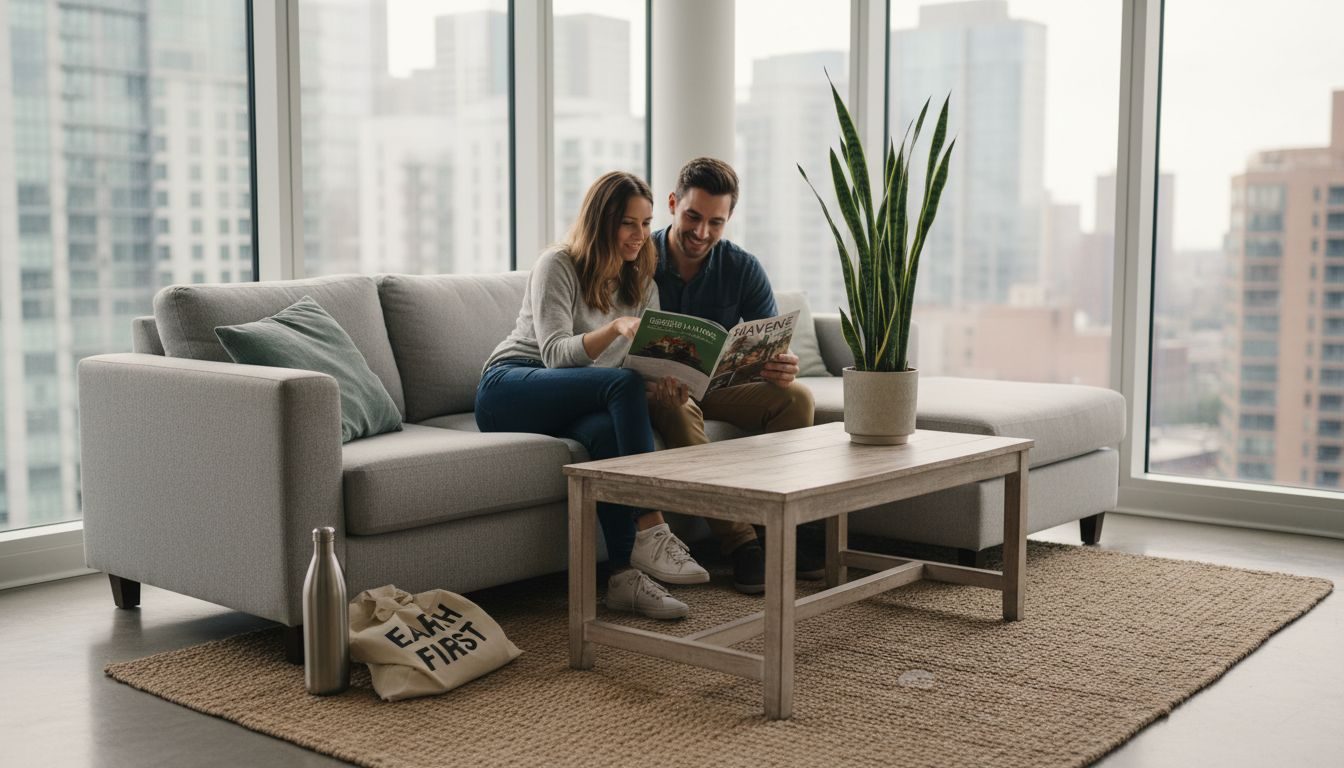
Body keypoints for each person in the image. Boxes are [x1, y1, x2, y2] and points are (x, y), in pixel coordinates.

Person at [476, 171, 708, 620]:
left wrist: (665, 386)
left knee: (605, 430)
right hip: (510, 386)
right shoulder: (558, 265)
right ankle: (651, 527)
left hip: (577, 398)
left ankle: (623, 578)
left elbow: (633, 369)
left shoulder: (642, 285)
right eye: (627, 223)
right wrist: (616, 327)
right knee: (618, 387)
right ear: (601, 221)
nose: (640, 235)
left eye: (645, 223)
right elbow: (555, 355)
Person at [645, 157, 825, 595]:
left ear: (728, 220)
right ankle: (742, 542)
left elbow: (770, 342)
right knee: (678, 406)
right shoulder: (639, 259)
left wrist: (779, 367)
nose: (701, 232)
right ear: (672, 203)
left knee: (797, 398)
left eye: (715, 222)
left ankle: (778, 523)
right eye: (692, 216)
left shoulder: (742, 267)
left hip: (721, 387)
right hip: (660, 391)